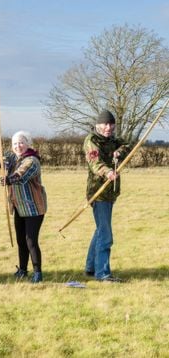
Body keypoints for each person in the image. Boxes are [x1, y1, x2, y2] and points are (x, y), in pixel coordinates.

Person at [0, 131, 47, 283]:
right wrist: (1, 162)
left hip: (33, 207)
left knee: (30, 240)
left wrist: (9, 179)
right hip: (19, 207)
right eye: (15, 143)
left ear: (28, 143)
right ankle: (22, 270)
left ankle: (37, 273)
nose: (18, 146)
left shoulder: (32, 160)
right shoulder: (13, 158)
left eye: (21, 142)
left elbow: (22, 175)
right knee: (21, 240)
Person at [83, 110, 130, 282]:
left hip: (110, 193)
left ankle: (90, 267)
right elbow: (95, 163)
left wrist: (119, 152)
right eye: (105, 124)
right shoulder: (92, 141)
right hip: (98, 192)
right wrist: (108, 171)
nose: (108, 127)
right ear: (97, 125)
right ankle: (103, 274)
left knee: (100, 230)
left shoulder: (113, 140)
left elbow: (127, 145)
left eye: (111, 124)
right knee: (105, 233)